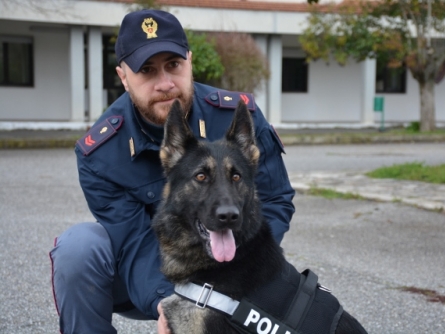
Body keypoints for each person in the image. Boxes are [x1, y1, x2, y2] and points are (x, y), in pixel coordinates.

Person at [49, 9, 295, 334]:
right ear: (123, 76)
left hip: (232, 267)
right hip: (145, 275)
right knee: (78, 248)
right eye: (146, 71)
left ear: (190, 61)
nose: (165, 83)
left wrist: (237, 277)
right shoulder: (102, 152)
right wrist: (172, 306)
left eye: (174, 65)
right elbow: (133, 243)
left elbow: (275, 200)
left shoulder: (237, 117)